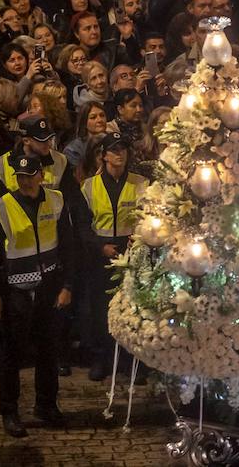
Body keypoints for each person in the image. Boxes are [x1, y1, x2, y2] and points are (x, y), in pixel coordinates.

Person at [0, 150, 75, 438]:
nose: (25, 181)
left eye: (30, 175)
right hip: (16, 291)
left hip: (49, 288)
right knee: (12, 354)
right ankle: (9, 411)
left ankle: (46, 406)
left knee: (49, 351)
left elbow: (68, 247)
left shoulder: (56, 201)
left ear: (41, 176)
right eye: (20, 176)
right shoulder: (2, 207)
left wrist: (67, 286)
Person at [74, 134, 147, 380]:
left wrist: (139, 237)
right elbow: (83, 227)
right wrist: (100, 246)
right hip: (100, 255)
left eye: (123, 149)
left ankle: (129, 359)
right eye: (114, 150)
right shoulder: (89, 186)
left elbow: (149, 218)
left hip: (131, 251)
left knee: (132, 306)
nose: (120, 154)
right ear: (103, 155)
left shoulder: (140, 183)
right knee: (99, 308)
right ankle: (101, 358)